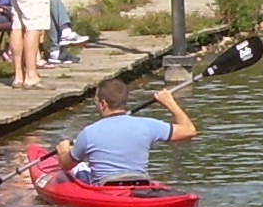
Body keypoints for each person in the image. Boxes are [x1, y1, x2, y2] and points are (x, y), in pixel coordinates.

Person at [53, 76, 195, 182]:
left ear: (103, 104)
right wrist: (170, 103)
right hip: (139, 184)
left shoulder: (88, 133)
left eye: (95, 101)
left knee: (74, 171)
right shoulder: (148, 125)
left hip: (104, 190)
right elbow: (189, 130)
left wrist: (64, 150)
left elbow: (66, 165)